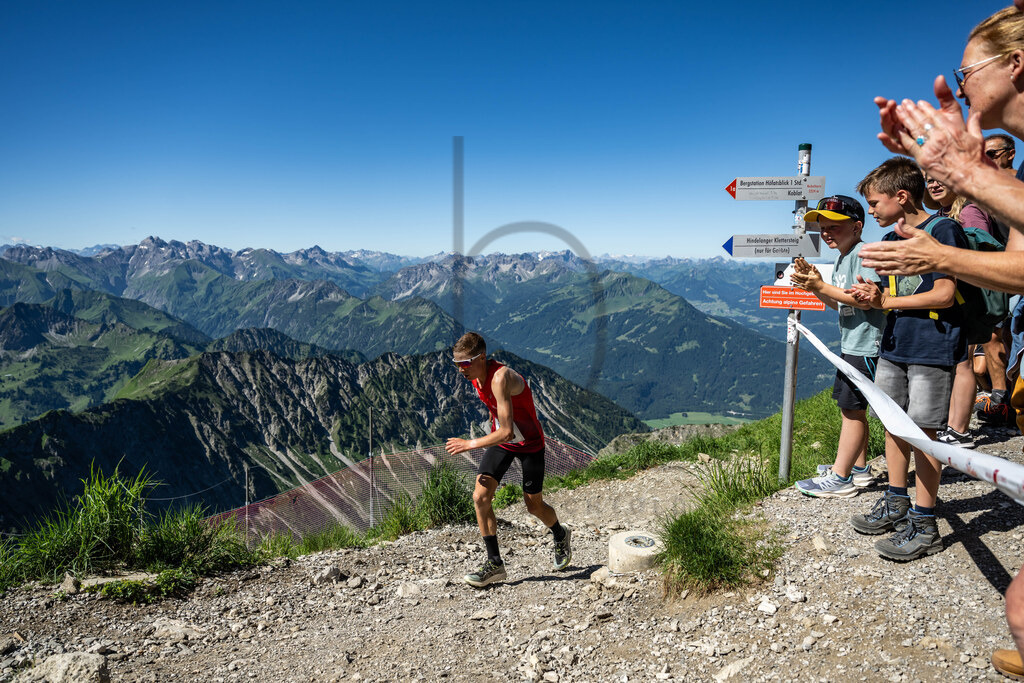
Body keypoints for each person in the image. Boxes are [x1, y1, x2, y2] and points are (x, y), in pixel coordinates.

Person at [860, 7, 1024, 677]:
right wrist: (943, 253)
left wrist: (968, 181)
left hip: (934, 349)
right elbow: (1018, 270)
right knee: (1021, 606)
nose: (960, 81)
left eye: (967, 70)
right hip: (909, 344)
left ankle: (921, 512)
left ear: (1015, 65)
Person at [846, 157, 967, 562]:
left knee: (924, 434)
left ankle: (925, 521)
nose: (873, 210)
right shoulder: (895, 240)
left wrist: (888, 300)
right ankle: (897, 501)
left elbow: (945, 294)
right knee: (894, 425)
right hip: (895, 345)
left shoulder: (942, 230)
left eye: (875, 202)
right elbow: (888, 295)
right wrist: (871, 295)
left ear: (901, 196)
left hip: (932, 347)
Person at [445, 332, 571, 588]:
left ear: (482, 357)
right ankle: (495, 564)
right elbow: (500, 422)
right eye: (456, 364)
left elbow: (507, 430)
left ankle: (560, 532)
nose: (460, 370)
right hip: (503, 442)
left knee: (533, 507)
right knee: (480, 497)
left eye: (465, 364)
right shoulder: (474, 377)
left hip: (529, 444)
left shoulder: (500, 378)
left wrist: (469, 444)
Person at [789, 195, 884, 498]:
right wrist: (816, 287)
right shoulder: (844, 256)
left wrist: (820, 286)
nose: (826, 232)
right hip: (855, 342)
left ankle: (840, 478)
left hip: (867, 344)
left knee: (851, 411)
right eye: (822, 227)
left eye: (835, 227)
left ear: (857, 226)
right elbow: (839, 303)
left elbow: (864, 298)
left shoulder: (865, 253)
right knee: (854, 408)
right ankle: (859, 468)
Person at [920, 173, 995, 449]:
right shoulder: (944, 213)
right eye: (929, 181)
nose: (934, 184)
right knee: (956, 359)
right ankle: (952, 425)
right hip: (955, 294)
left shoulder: (970, 211)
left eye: (941, 179)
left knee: (963, 360)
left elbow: (984, 253)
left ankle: (959, 430)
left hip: (966, 296)